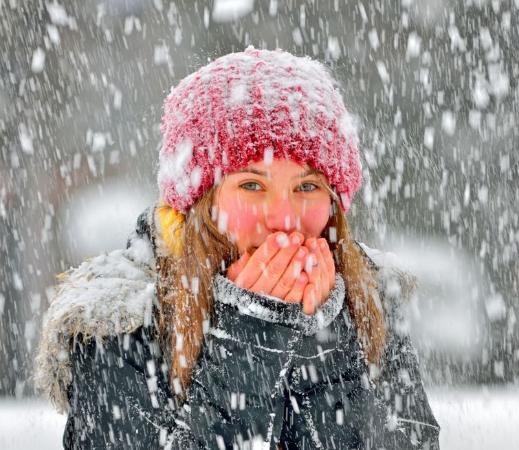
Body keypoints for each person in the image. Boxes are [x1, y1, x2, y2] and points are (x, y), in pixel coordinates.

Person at [34, 47, 440, 449]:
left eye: (307, 186)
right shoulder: (121, 322)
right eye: (251, 184)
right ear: (199, 202)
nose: (283, 218)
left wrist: (323, 339)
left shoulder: (367, 300)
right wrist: (251, 338)